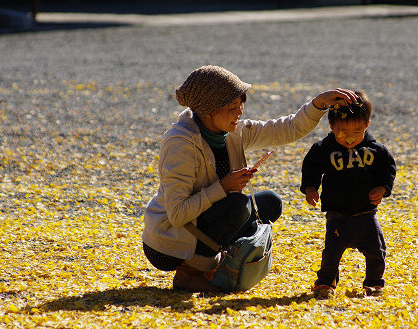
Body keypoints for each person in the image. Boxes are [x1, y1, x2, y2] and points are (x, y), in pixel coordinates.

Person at [142, 65, 358, 292]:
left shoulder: (233, 131)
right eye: (232, 107)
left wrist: (319, 103)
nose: (240, 112)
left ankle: (220, 264)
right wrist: (224, 187)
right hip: (169, 243)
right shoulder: (180, 143)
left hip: (204, 222)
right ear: (208, 111)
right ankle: (192, 273)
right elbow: (177, 214)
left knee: (270, 203)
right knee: (238, 206)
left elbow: (287, 129)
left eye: (241, 104)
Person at [300, 90, 397, 298]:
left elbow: (388, 168)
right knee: (331, 253)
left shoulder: (375, 150)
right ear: (332, 126)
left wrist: (382, 188)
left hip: (366, 213)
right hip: (337, 214)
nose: (350, 138)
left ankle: (374, 282)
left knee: (376, 251)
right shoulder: (324, 149)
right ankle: (326, 281)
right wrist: (310, 188)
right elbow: (311, 167)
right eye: (343, 132)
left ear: (367, 125)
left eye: (358, 130)